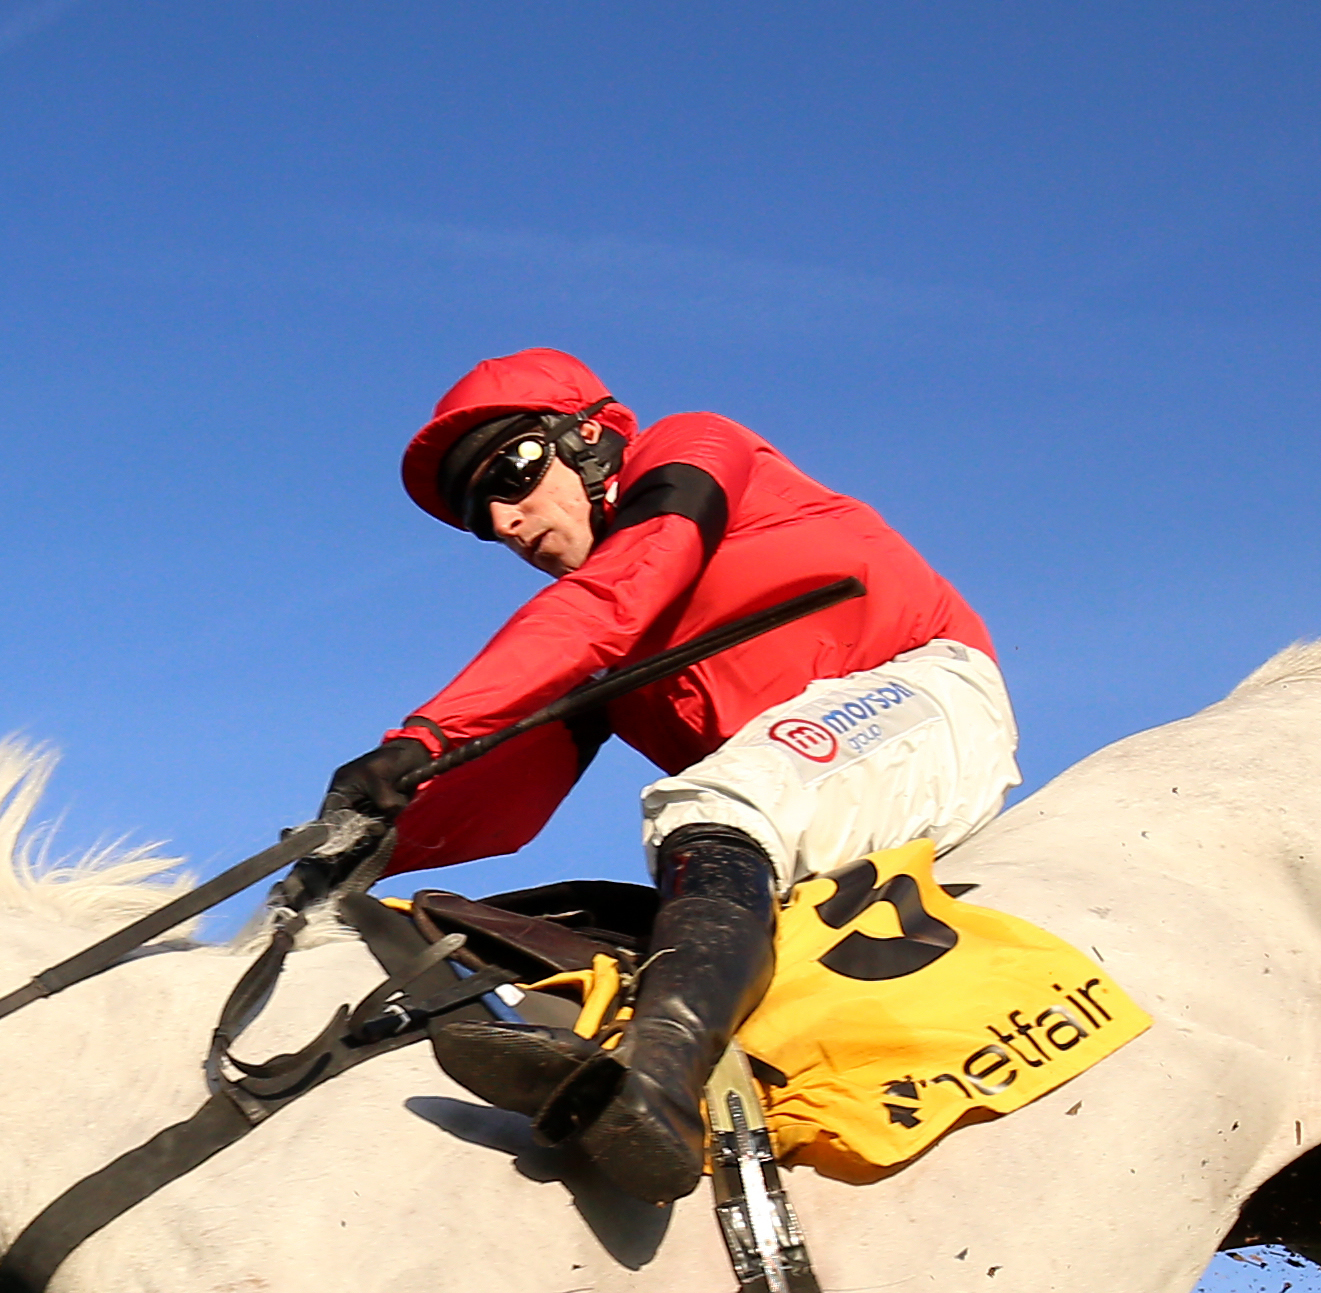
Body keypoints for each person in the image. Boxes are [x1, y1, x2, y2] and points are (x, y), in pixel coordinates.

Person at [317, 349, 1016, 1203]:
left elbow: (618, 598)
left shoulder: (693, 448)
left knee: (705, 806)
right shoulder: (600, 636)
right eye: (479, 513)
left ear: (591, 439)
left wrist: (422, 735)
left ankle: (659, 1088)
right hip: (805, 793)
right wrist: (368, 846)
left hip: (927, 696)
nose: (504, 520)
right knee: (541, 915)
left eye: (512, 473)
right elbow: (506, 793)